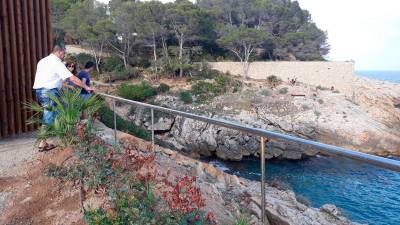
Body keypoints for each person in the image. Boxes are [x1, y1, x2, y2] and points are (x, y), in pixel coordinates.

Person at [33, 45, 95, 152]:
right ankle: (43, 143)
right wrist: (86, 87)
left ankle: (68, 136)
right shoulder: (56, 62)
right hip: (49, 91)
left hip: (40, 91)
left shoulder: (43, 61)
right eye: (64, 53)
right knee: (49, 116)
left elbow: (53, 77)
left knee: (61, 111)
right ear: (60, 52)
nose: (64, 56)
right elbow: (71, 78)